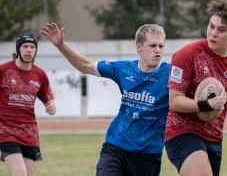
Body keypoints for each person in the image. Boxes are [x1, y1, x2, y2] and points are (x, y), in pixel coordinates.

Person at [40, 23, 170, 176]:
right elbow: (86, 65)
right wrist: (60, 45)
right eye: (153, 45)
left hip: (148, 154)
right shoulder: (124, 69)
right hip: (116, 147)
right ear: (139, 47)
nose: (158, 50)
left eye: (161, 46)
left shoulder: (171, 74)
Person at [164, 0, 227, 176]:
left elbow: (214, 100)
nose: (213, 33)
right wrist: (206, 105)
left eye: (221, 29)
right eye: (211, 26)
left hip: (214, 138)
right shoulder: (186, 55)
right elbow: (174, 101)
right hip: (182, 133)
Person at [0, 33, 56, 176]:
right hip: (6, 132)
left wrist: (50, 105)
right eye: (25, 46)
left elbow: (46, 97)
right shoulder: (4, 70)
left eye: (32, 47)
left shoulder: (40, 74)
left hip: (29, 133)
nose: (29, 50)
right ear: (19, 49)